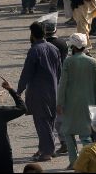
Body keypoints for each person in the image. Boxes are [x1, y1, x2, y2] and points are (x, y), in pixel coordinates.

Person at [17, 21, 62, 162]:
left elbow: (27, 73)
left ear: (32, 35)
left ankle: (47, 152)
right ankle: (46, 147)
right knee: (49, 120)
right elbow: (59, 71)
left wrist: (18, 90)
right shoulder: (54, 48)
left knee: (42, 121)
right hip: (53, 90)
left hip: (39, 92)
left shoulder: (34, 51)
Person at [58, 32, 96, 169]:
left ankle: (74, 161)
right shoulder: (92, 62)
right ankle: (89, 161)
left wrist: (59, 102)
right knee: (86, 134)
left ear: (73, 47)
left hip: (70, 103)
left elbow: (63, 84)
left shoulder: (68, 62)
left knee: (68, 132)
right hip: (88, 103)